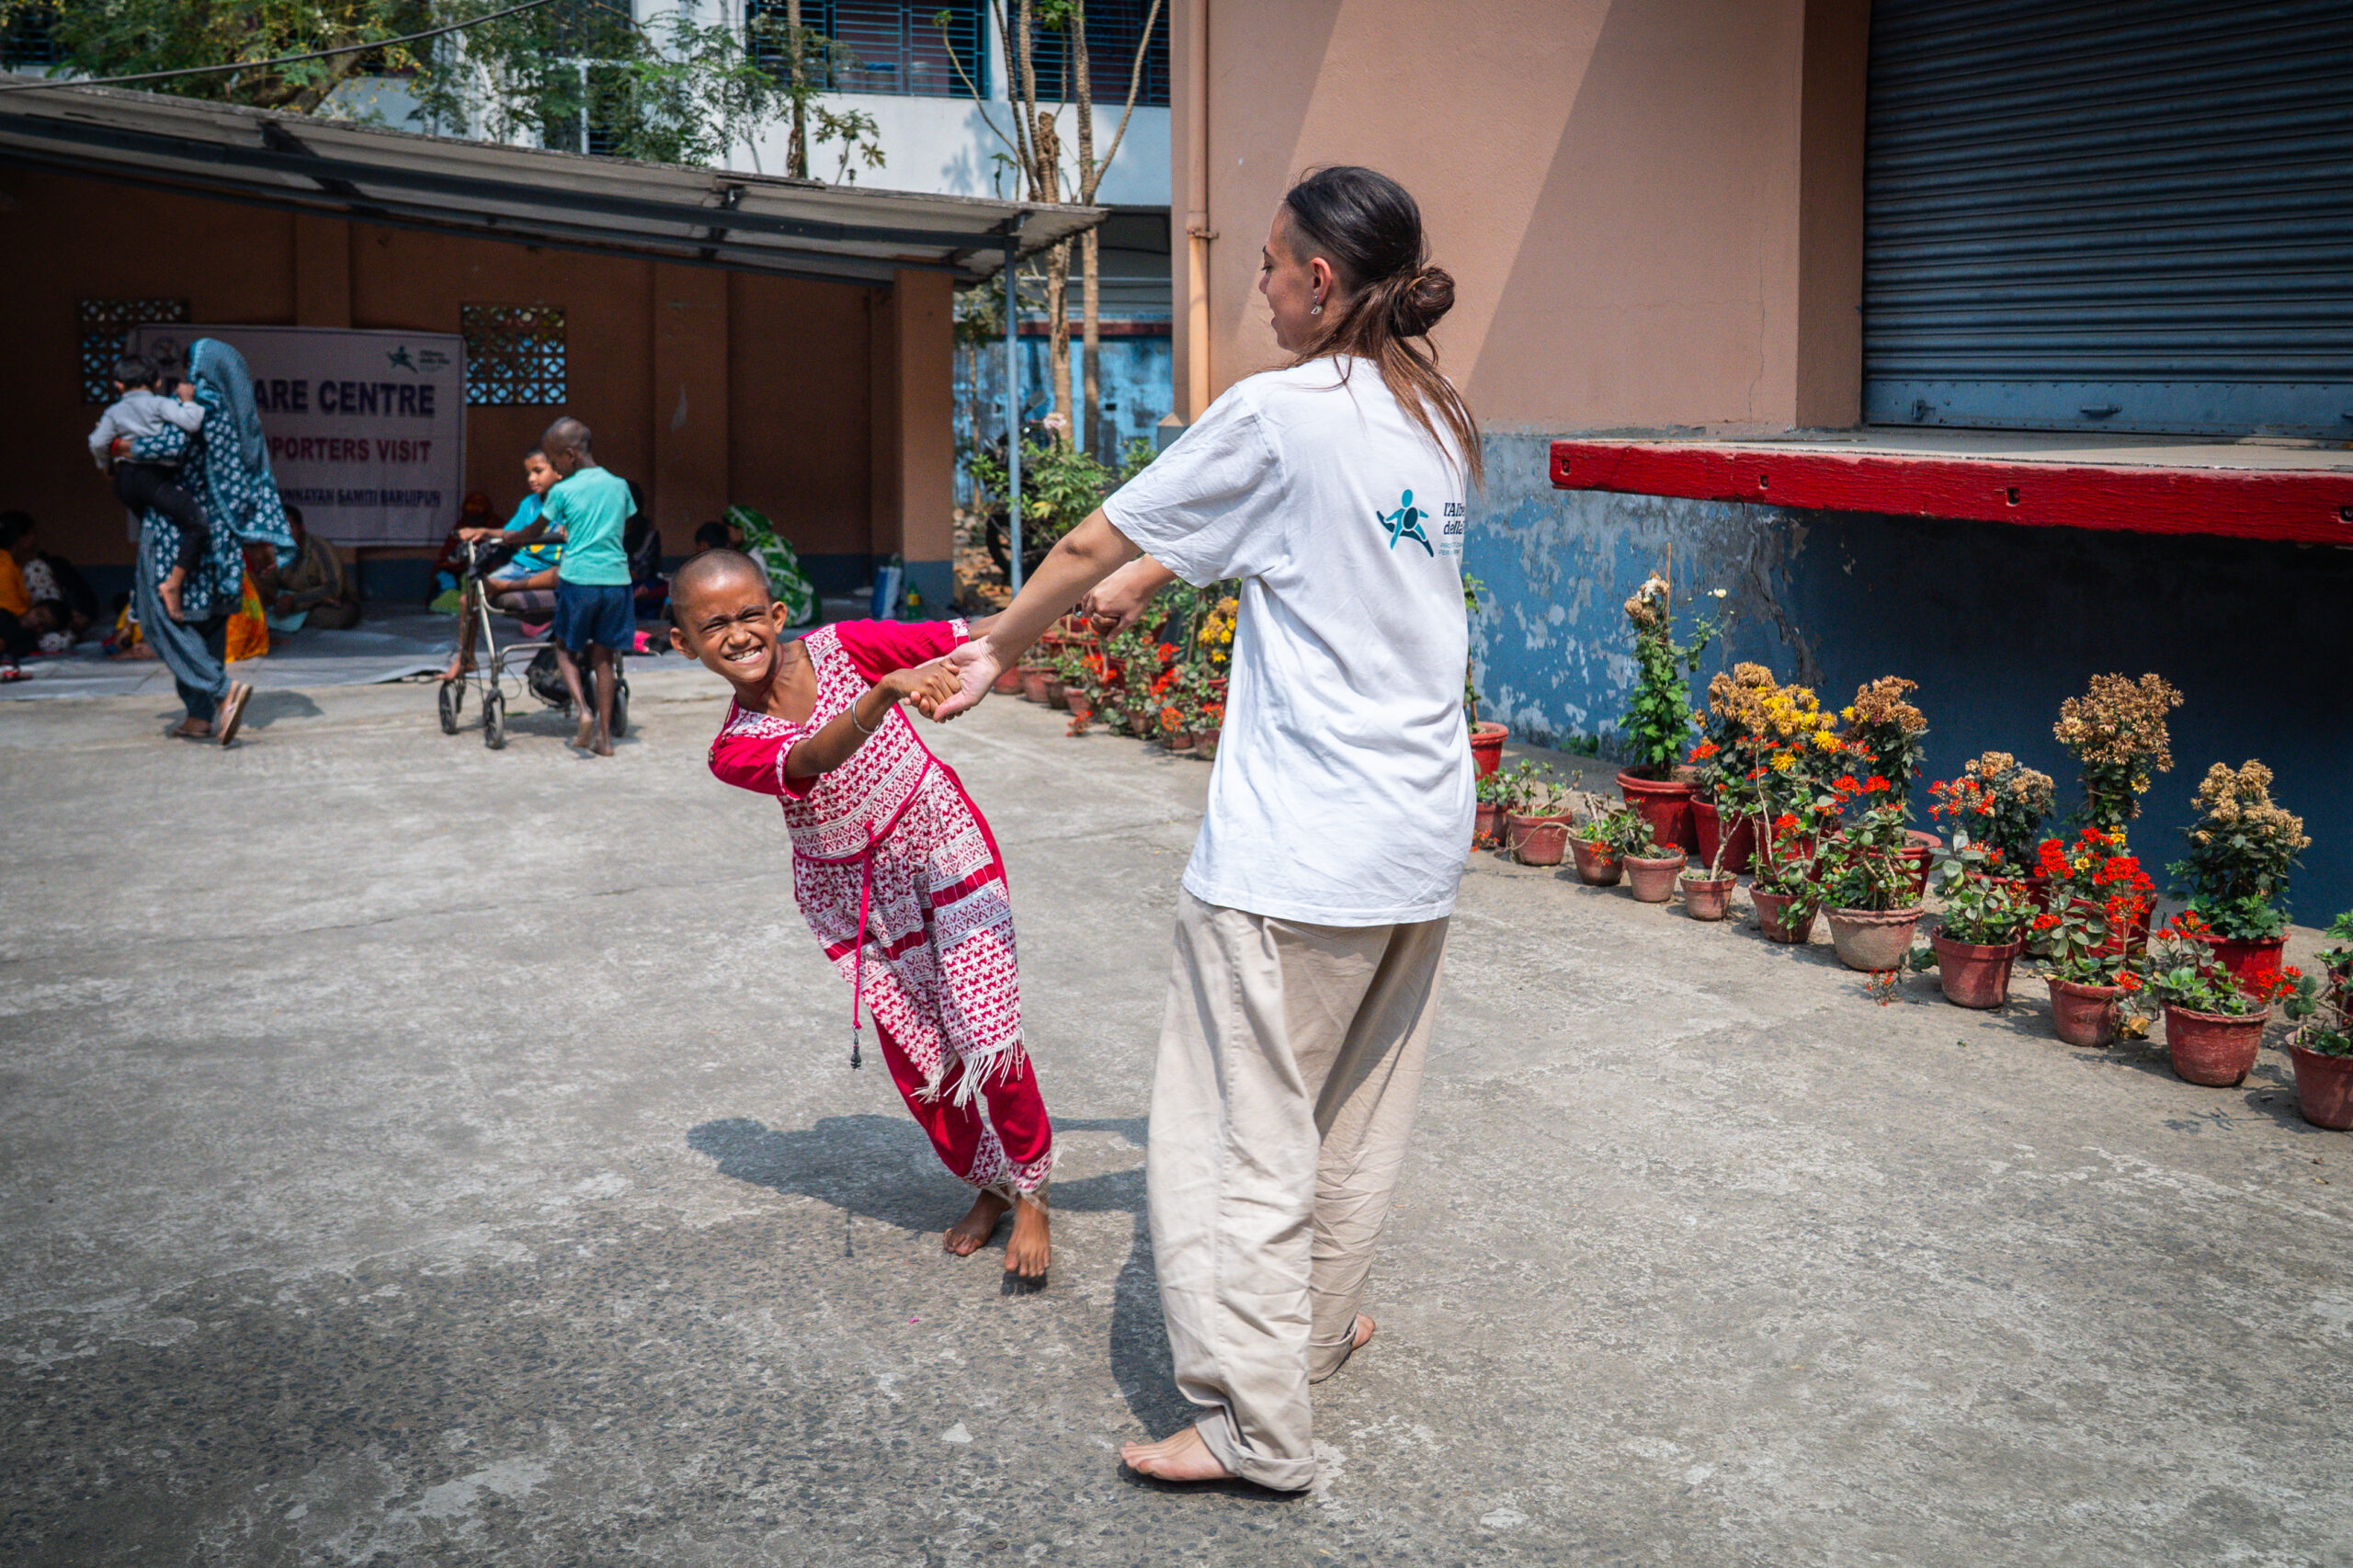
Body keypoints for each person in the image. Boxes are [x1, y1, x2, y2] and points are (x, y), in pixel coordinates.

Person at [933, 166, 1481, 1490]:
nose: (1258, 286)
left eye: (1273, 265)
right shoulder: (1438, 419)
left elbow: (1075, 547)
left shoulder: (1280, 411)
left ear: (1321, 282)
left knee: (1243, 1134)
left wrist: (999, 647)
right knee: (1350, 1120)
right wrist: (1152, 573)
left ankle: (1252, 1426)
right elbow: (1298, 535)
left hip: (1297, 850)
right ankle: (1306, 1337)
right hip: (1417, 837)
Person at [669, 547, 1054, 1277]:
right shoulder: (732, 746)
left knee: (986, 1032)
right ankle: (992, 1185)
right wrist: (881, 695)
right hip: (858, 903)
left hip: (945, 849)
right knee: (923, 1067)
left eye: (751, 613)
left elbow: (972, 636)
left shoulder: (844, 645)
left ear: (779, 614)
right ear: (684, 645)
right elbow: (811, 758)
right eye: (712, 625)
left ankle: (1032, 1190)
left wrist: (1065, 604)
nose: (739, 633)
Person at [119, 337, 299, 744]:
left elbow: (167, 449)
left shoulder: (192, 407)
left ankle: (220, 693)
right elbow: (240, 485)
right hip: (219, 541)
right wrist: (255, 539)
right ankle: (200, 718)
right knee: (208, 623)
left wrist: (123, 447)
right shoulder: (237, 420)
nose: (184, 377)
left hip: (173, 528)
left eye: (188, 367)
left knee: (160, 617)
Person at [86, 355, 210, 622]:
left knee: (156, 531)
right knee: (197, 525)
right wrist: (188, 400)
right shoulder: (159, 404)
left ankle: (146, 590)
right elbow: (191, 421)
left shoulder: (114, 411)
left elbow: (97, 442)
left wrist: (105, 465)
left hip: (125, 481)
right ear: (156, 381)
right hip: (151, 477)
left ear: (118, 385)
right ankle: (173, 584)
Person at [538, 416, 635, 756]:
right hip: (617, 581)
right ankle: (605, 740)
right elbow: (621, 528)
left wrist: (507, 537)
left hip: (579, 580)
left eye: (554, 460)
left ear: (570, 454)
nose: (554, 467)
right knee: (604, 658)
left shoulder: (562, 490)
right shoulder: (620, 485)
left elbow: (536, 529)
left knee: (564, 649)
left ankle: (583, 711)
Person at [439, 449, 564, 682]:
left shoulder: (570, 504)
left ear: (558, 472)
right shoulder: (529, 503)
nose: (531, 479)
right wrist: (484, 531)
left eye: (538, 471)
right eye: (528, 473)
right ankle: (465, 657)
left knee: (566, 574)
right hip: (521, 566)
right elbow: (510, 533)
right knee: (469, 597)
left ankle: (503, 586)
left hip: (554, 570)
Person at [256, 506, 360, 632]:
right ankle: (290, 620)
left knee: (340, 616)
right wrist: (273, 600)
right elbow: (268, 585)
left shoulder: (320, 548)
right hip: (293, 603)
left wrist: (295, 600)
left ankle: (290, 621)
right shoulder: (274, 551)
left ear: (302, 528)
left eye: (289, 528)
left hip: (331, 601)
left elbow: (333, 587)